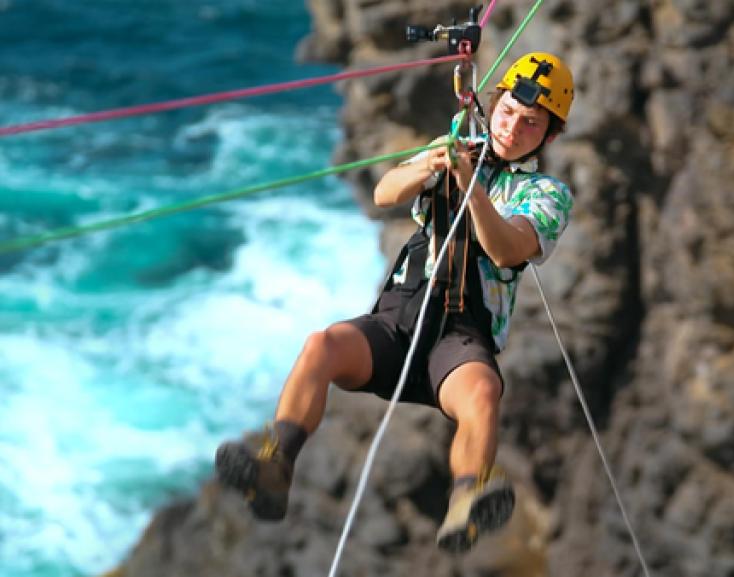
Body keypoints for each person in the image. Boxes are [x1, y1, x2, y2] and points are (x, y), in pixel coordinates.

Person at [214, 51, 575, 554]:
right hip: (400, 317)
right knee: (323, 344)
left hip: (459, 333)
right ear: (493, 106)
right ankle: (275, 469)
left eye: (531, 124)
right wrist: (428, 164)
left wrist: (471, 189)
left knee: (482, 394)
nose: (512, 129)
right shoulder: (453, 146)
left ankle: (466, 502)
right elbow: (386, 192)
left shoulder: (546, 194)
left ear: (550, 136)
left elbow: (505, 248)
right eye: (507, 113)